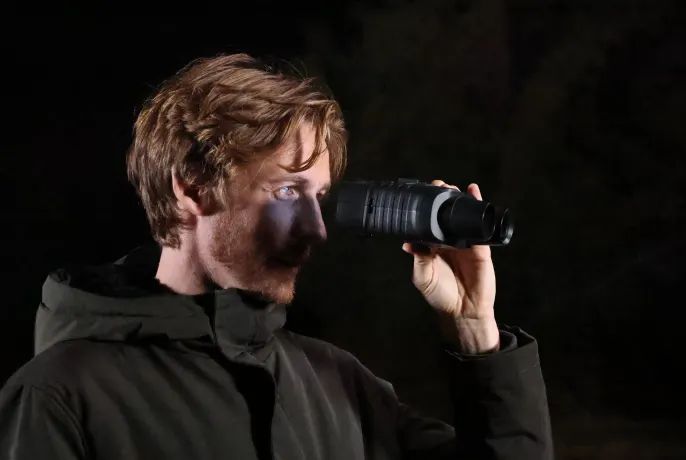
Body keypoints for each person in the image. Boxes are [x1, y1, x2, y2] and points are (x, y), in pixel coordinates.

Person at [0, 54, 553, 459]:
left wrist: (475, 329)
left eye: (319, 196)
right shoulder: (61, 395)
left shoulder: (337, 382)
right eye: (287, 192)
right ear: (192, 188)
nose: (316, 229)